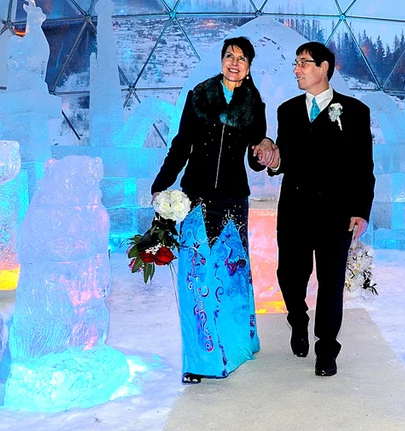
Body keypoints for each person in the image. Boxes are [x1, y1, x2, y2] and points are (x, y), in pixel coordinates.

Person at [151, 36, 277, 382]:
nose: (234, 63)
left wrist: (263, 151)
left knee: (230, 278)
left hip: (234, 199)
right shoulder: (199, 95)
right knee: (195, 278)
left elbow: (255, 159)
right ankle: (198, 359)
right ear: (221, 60)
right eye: (229, 56)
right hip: (196, 197)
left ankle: (234, 344)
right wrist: (161, 185)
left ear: (250, 67)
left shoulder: (255, 104)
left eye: (242, 59)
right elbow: (181, 146)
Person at [264, 41, 375, 377]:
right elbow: (283, 159)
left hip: (336, 212)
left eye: (304, 63)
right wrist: (272, 159)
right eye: (296, 63)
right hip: (295, 209)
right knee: (289, 276)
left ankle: (326, 349)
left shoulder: (355, 111)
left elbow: (362, 165)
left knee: (330, 282)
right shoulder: (286, 110)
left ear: (325, 67)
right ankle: (298, 320)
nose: (297, 69)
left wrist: (361, 209)